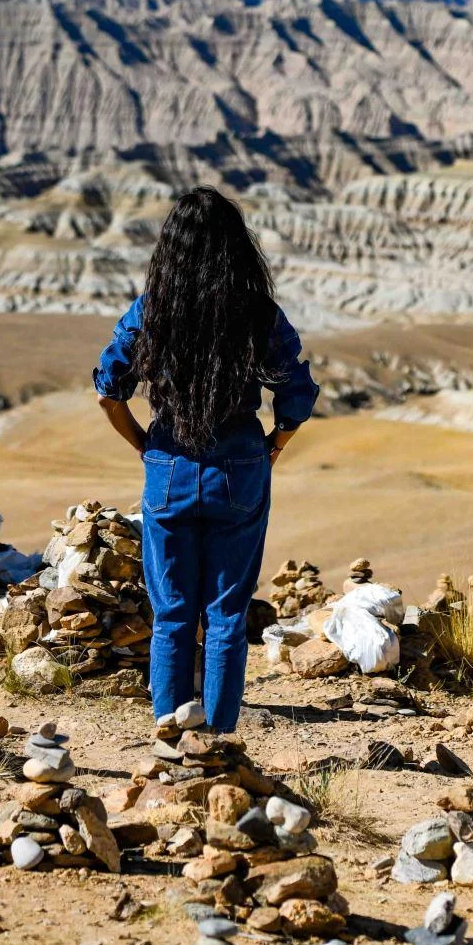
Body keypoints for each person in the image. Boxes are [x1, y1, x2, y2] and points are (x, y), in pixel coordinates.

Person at [93, 186, 318, 732]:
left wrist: (145, 445)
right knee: (226, 616)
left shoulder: (152, 309)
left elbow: (108, 389)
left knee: (171, 615)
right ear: (235, 248)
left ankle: (169, 735)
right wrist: (276, 445)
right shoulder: (257, 312)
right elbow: (296, 392)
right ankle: (217, 740)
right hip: (239, 467)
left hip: (168, 463)